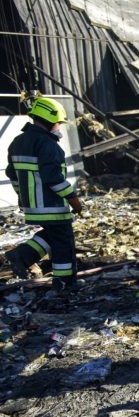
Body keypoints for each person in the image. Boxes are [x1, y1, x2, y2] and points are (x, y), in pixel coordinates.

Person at [4, 97, 83, 291]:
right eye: (58, 122)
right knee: (63, 243)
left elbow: (12, 175)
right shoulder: (48, 145)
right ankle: (65, 283)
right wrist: (74, 201)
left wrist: (22, 198)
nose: (59, 127)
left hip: (32, 205)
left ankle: (21, 256)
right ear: (49, 119)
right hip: (51, 205)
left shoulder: (18, 142)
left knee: (53, 236)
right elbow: (54, 179)